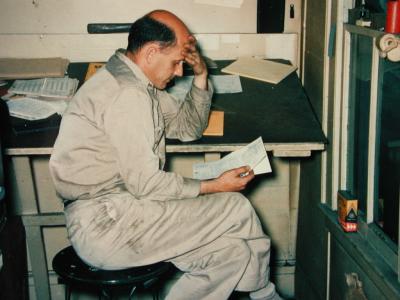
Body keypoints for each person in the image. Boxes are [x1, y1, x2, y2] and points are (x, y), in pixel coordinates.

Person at [49, 9, 282, 300]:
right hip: (108, 226)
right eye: (175, 63)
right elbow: (145, 184)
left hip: (127, 213)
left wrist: (201, 76)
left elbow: (187, 127)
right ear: (150, 53)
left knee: (232, 254)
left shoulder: (139, 84)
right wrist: (214, 187)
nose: (178, 72)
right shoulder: (127, 95)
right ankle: (263, 295)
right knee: (236, 207)